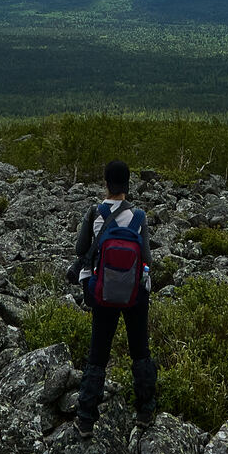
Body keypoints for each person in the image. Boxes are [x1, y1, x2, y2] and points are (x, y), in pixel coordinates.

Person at [69, 159, 156, 435]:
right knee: (140, 350)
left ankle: (85, 418)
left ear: (105, 183)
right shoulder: (139, 217)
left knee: (98, 354)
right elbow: (147, 258)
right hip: (134, 293)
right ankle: (145, 411)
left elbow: (81, 248)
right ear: (127, 185)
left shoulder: (94, 212)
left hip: (103, 292)